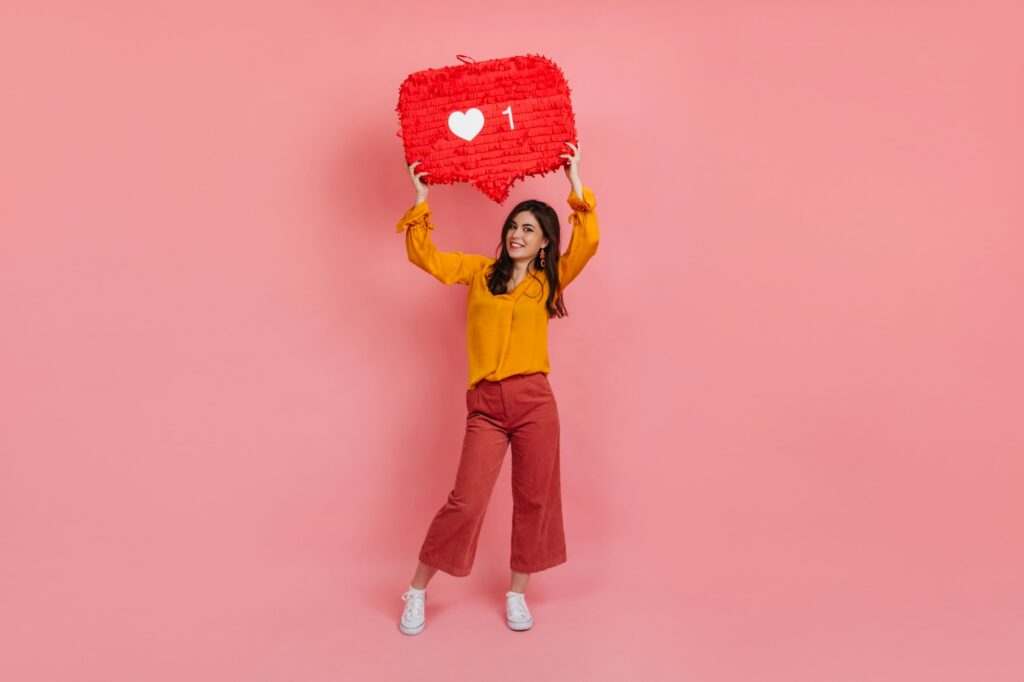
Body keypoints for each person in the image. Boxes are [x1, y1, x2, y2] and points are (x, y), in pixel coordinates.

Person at [395, 141, 599, 634]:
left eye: (528, 229)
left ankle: (516, 594)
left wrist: (575, 184)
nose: (516, 234)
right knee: (466, 500)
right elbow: (429, 260)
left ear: (544, 242)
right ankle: (417, 589)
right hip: (485, 405)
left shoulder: (550, 283)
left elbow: (587, 243)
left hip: (534, 402)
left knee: (534, 499)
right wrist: (421, 199)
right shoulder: (480, 272)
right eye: (513, 226)